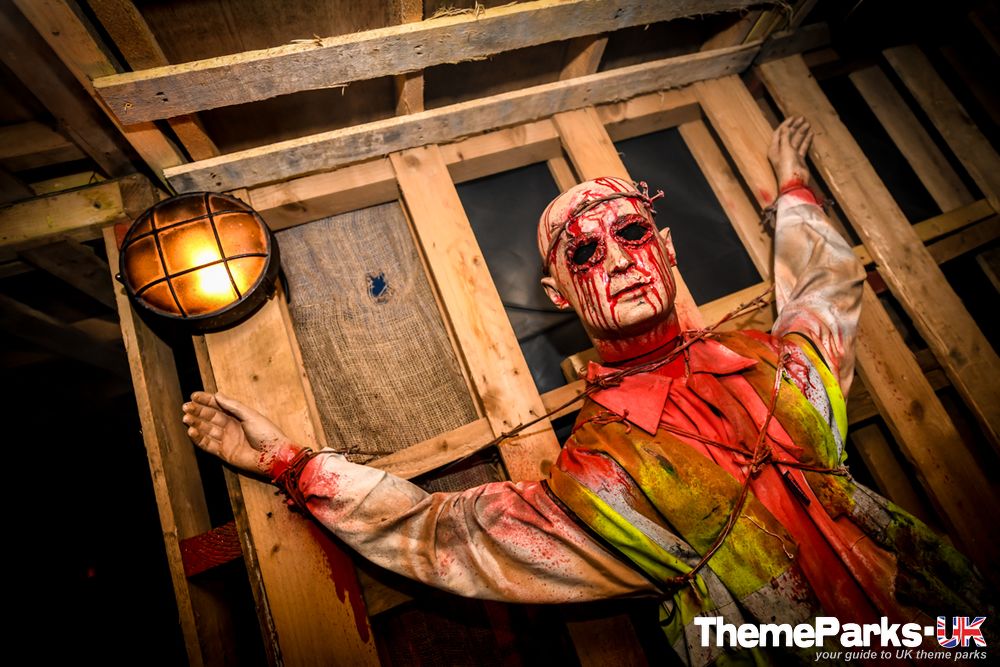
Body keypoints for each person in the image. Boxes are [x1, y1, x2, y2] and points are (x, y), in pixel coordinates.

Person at [182, 118, 985, 664]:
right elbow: (443, 533)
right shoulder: (598, 476)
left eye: (632, 232)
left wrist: (793, 188)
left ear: (665, 248)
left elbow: (824, 291)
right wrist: (290, 461)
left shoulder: (774, 363)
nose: (620, 258)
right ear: (559, 293)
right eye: (585, 251)